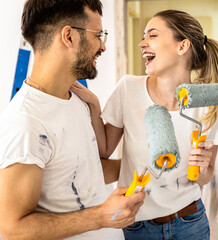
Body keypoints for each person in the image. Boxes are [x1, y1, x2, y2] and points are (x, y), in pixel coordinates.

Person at [71, 9, 218, 240]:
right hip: (137, 226)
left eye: (152, 35)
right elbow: (104, 150)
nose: (142, 43)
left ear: (182, 46)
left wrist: (203, 167)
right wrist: (95, 106)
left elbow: (204, 178)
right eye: (144, 36)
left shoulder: (211, 106)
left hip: (190, 222)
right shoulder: (128, 88)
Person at [0, 0, 145, 239]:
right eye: (98, 35)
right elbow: (12, 229)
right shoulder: (25, 122)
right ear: (68, 37)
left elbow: (80, 170)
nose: (103, 46)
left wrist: (142, 163)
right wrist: (100, 216)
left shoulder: (76, 100)